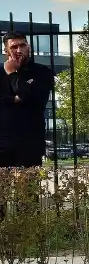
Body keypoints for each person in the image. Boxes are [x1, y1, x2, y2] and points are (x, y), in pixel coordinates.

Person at [0, 32, 54, 168]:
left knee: (29, 188)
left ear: (28, 47)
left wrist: (12, 74)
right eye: (14, 47)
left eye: (22, 45)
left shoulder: (42, 72)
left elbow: (37, 100)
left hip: (30, 142)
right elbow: (25, 97)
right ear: (6, 50)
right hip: (2, 143)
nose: (19, 50)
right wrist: (20, 97)